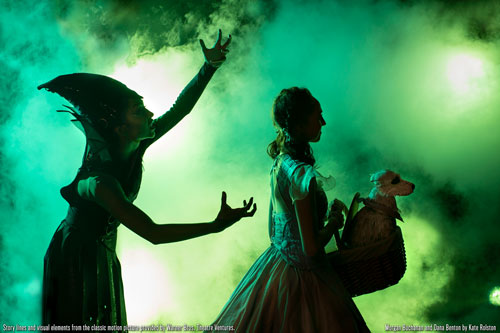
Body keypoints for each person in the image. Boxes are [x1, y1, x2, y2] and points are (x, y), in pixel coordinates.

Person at [39, 30, 256, 326]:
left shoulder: (136, 144)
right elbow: (152, 233)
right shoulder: (99, 183)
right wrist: (215, 226)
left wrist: (210, 66)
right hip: (75, 262)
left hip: (101, 252)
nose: (151, 113)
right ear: (117, 128)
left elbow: (179, 109)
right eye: (139, 111)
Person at [208, 87, 369, 332]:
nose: (323, 122)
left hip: (275, 265)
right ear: (299, 123)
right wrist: (335, 221)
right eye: (318, 116)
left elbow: (274, 231)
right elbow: (311, 250)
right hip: (304, 277)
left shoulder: (280, 163)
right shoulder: (301, 173)